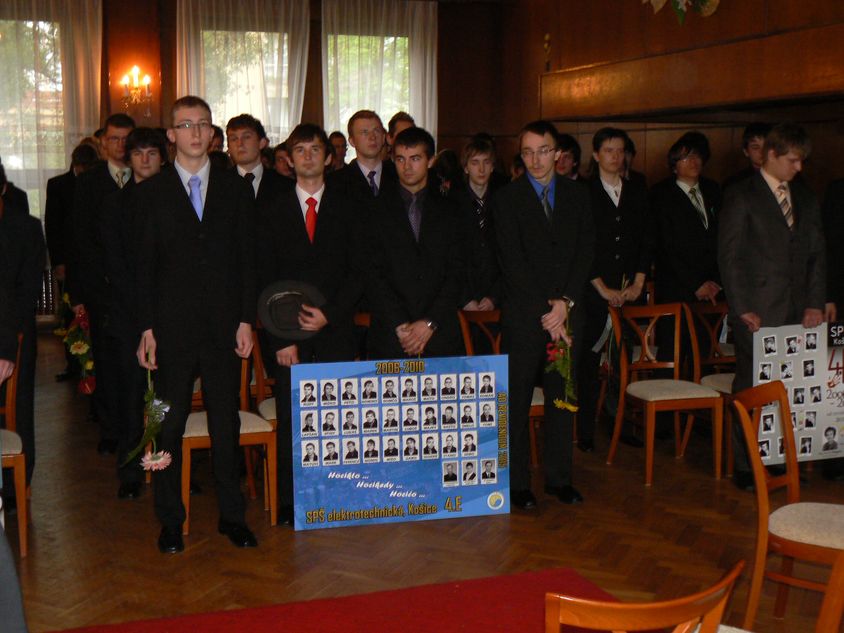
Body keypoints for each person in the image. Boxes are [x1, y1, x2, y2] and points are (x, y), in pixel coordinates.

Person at [135, 96, 257, 553]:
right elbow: (142, 269)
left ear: (211, 133)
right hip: (171, 329)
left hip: (224, 327)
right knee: (168, 424)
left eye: (202, 124)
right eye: (185, 125)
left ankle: (232, 517)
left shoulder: (234, 188)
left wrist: (245, 319)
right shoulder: (151, 193)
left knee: (226, 423)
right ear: (172, 135)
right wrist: (146, 328)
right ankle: (170, 519)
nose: (195, 132)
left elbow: (247, 261)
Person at [256, 123, 364, 526]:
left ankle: (338, 496)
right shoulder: (271, 210)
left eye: (315, 149)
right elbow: (266, 277)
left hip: (337, 329)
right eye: (299, 150)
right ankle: (291, 501)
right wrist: (281, 337)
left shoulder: (349, 208)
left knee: (339, 417)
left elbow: (360, 270)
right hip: (289, 337)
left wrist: (331, 312)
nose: (307, 156)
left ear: (329, 157)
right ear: (288, 159)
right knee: (293, 418)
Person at [492, 120, 594, 509]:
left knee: (561, 398)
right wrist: (546, 311)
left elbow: (586, 251)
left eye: (544, 151)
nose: (536, 160)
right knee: (517, 402)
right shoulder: (507, 199)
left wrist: (564, 303)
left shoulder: (578, 195)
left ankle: (558, 479)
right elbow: (511, 262)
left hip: (566, 316)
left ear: (558, 153)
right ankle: (518, 484)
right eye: (528, 152)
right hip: (525, 318)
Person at [719, 123, 825, 491]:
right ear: (772, 155)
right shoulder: (741, 194)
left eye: (802, 161)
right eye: (793, 160)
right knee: (753, 386)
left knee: (788, 388)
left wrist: (815, 302)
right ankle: (747, 464)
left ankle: (778, 458)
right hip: (757, 310)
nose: (799, 167)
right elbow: (729, 257)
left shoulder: (805, 197)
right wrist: (741, 307)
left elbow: (817, 254)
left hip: (797, 310)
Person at [101, 127, 168, 499]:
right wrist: (144, 314)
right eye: (138, 153)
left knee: (167, 397)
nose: (145, 159)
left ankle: (170, 467)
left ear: (162, 158)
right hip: (129, 314)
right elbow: (115, 264)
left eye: (152, 153)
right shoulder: (116, 203)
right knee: (131, 397)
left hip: (171, 313)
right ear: (129, 158)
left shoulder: (177, 198)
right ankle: (129, 472)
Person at [577, 127, 650, 453]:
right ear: (596, 155)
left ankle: (620, 423)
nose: (615, 157)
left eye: (620, 151)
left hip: (628, 290)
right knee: (588, 362)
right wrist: (602, 288)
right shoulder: (582, 192)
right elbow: (581, 245)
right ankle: (585, 430)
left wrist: (638, 282)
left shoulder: (636, 191)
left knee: (623, 362)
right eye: (608, 150)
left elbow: (645, 239)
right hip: (592, 291)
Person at [68, 112, 136, 456]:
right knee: (107, 363)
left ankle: (141, 428)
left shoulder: (149, 176)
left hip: (139, 292)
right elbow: (78, 240)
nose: (121, 145)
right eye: (114, 139)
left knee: (138, 365)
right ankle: (110, 429)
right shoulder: (89, 183)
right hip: (101, 290)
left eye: (126, 139)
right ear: (103, 142)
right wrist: (78, 294)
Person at [366, 127, 466, 359]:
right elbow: (372, 273)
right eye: (400, 159)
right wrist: (400, 325)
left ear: (430, 161)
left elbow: (457, 271)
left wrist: (429, 322)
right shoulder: (375, 211)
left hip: (440, 334)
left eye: (415, 158)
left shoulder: (451, 210)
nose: (407, 167)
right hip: (391, 336)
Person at [0, 180, 46, 509]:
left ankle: (16, 486)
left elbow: (27, 291)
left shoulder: (26, 228)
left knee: (18, 409)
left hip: (15, 333)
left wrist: (8, 342)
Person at [46, 143, 99, 383]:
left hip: (92, 262)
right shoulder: (58, 185)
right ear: (75, 165)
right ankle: (73, 365)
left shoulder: (98, 182)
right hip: (68, 261)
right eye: (82, 168)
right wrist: (58, 261)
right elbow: (52, 226)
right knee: (71, 315)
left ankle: (94, 364)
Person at [329, 110, 397, 206]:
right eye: (364, 132)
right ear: (352, 141)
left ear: (383, 138)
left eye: (376, 131)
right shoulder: (335, 182)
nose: (372, 137)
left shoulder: (398, 175)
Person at [225, 114, 292, 206]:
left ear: (262, 143)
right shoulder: (217, 185)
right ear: (228, 147)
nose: (239, 144)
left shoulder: (286, 186)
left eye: (246, 137)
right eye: (234, 139)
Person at [723, 123, 772, 191]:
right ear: (746, 151)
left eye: (766, 146)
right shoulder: (734, 183)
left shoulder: (784, 177)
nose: (762, 152)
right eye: (755, 147)